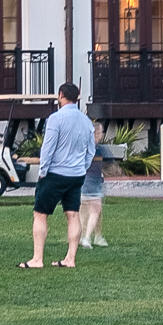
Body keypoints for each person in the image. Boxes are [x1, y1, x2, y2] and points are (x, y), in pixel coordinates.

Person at [25, 81, 95, 269]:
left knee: (40, 214)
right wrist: (82, 168)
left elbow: (48, 148)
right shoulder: (86, 121)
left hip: (55, 173)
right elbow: (90, 151)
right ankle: (70, 258)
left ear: (61, 95)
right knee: (72, 214)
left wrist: (42, 171)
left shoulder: (56, 119)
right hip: (77, 175)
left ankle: (37, 259)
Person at [75, 126, 114, 250]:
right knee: (95, 211)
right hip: (93, 185)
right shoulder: (100, 149)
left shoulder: (80, 148)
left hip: (81, 184)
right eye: (100, 132)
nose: (101, 134)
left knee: (85, 212)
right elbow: (110, 166)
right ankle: (86, 238)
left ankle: (92, 236)